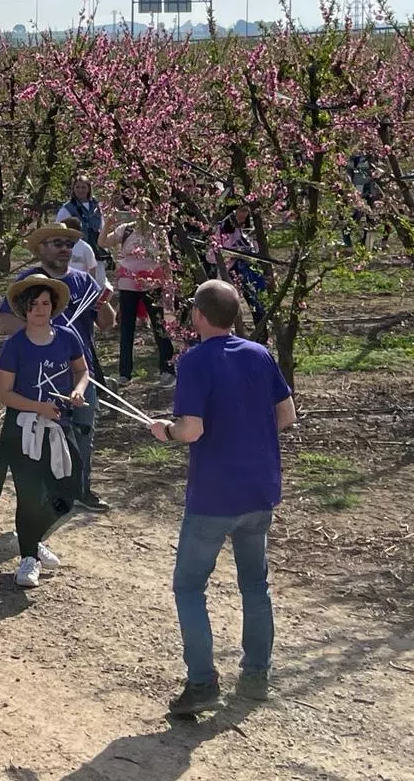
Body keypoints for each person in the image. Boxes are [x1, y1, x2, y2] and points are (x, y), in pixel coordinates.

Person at [149, 280, 296, 715]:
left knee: (189, 586)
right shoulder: (260, 354)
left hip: (213, 495)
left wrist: (167, 432)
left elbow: (191, 429)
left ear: (198, 315)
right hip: (259, 490)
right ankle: (255, 676)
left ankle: (201, 682)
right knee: (255, 584)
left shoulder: (194, 361)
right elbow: (286, 416)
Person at [0, 223, 115, 513]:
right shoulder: (29, 282)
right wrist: (43, 327)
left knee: (83, 432)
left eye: (68, 244)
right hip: (39, 376)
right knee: (46, 435)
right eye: (57, 243)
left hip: (79, 372)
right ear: (42, 248)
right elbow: (4, 324)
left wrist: (103, 305)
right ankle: (45, 496)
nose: (65, 249)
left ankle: (81, 488)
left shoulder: (85, 282)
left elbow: (107, 324)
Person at [0, 275, 88, 590]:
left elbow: (82, 371)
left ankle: (33, 536)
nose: (40, 309)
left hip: (60, 425)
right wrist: (37, 407)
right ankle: (28, 558)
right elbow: (3, 393)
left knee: (70, 491)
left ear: (53, 305)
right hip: (23, 430)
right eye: (33, 305)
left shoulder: (67, 337)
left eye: (45, 303)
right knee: (29, 497)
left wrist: (79, 390)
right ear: (24, 309)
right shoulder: (15, 345)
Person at [106, 203, 177, 386]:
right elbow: (102, 242)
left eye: (146, 211)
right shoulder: (126, 229)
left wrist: (169, 284)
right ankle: (125, 373)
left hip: (152, 282)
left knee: (158, 325)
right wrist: (107, 224)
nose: (142, 214)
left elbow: (165, 256)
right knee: (127, 327)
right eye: (139, 210)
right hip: (128, 281)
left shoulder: (158, 232)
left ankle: (167, 369)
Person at [57, 176, 104, 249]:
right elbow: (59, 230)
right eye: (77, 187)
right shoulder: (67, 208)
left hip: (97, 249)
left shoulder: (96, 206)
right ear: (73, 189)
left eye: (83, 187)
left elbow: (102, 227)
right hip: (76, 249)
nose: (80, 190)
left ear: (89, 189)